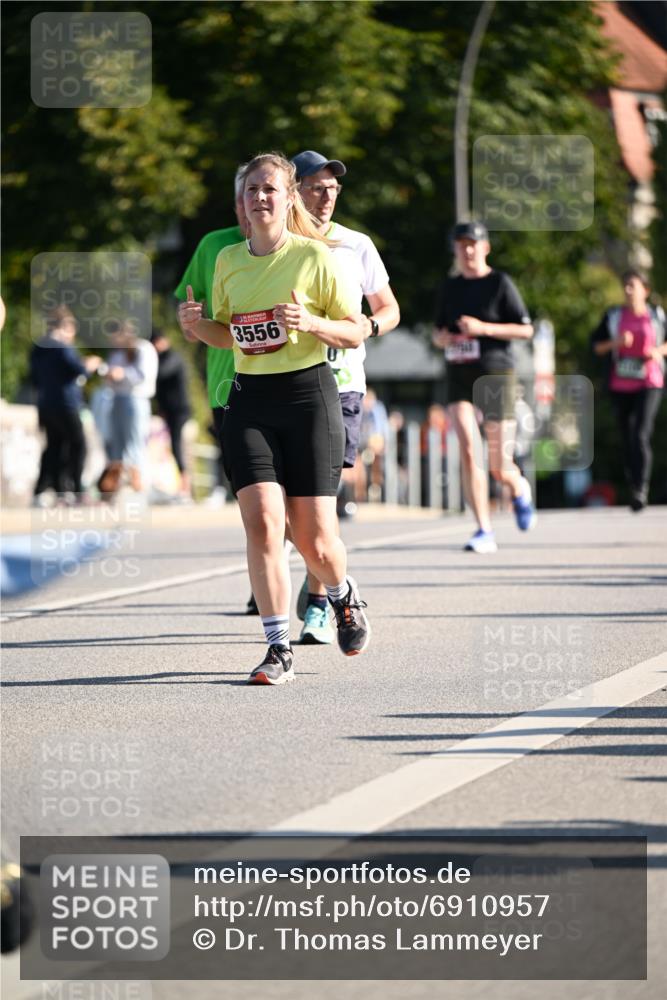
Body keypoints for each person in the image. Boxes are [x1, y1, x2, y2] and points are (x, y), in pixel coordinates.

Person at [179, 151, 371, 685]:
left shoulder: (317, 258)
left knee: (315, 541)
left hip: (310, 399)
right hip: (249, 402)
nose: (260, 198)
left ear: (289, 199)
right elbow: (227, 332)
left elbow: (355, 331)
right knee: (263, 524)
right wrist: (198, 327)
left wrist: (308, 321)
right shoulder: (227, 262)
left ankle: (342, 594)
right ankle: (277, 647)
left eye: (270, 189)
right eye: (251, 191)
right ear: (241, 203)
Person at [290, 149, 400, 643]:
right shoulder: (277, 244)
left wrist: (370, 325)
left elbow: (389, 308)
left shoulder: (356, 244)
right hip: (283, 383)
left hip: (341, 385)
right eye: (316, 186)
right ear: (295, 190)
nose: (327, 195)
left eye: (333, 188)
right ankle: (327, 571)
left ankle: (320, 601)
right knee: (287, 513)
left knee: (321, 500)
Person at [432, 221, 535, 552]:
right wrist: (444, 338)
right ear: (455, 250)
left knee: (498, 464)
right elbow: (437, 332)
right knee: (467, 449)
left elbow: (525, 330)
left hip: (495, 374)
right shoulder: (449, 287)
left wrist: (483, 328)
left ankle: (518, 488)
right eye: (462, 244)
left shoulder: (499, 283)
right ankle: (483, 530)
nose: (468, 250)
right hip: (460, 373)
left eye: (474, 243)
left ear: (485, 247)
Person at [592, 270, 665, 511]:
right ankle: (633, 480)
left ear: (645, 290)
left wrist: (658, 351)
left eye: (633, 285)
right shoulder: (613, 316)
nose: (628, 290)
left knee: (640, 432)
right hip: (620, 383)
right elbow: (597, 347)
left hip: (650, 381)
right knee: (627, 435)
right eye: (625, 285)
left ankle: (640, 489)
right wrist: (617, 343)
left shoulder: (656, 315)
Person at [30, 305, 101, 504]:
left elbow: (34, 379)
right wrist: (90, 365)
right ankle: (75, 489)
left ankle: (45, 490)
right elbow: (78, 370)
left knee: (53, 446)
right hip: (66, 405)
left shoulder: (38, 347)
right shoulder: (62, 347)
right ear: (65, 325)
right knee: (78, 445)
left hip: (45, 405)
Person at [104, 321, 158, 492]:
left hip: (135, 399)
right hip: (117, 398)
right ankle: (115, 485)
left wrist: (122, 374)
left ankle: (138, 483)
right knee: (116, 443)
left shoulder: (143, 348)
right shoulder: (117, 353)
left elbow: (143, 376)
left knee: (135, 441)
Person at [150, 328, 192, 498]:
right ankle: (181, 486)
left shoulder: (173, 357)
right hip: (168, 411)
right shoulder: (161, 358)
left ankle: (185, 487)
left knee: (177, 446)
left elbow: (160, 374)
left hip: (179, 410)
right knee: (172, 447)